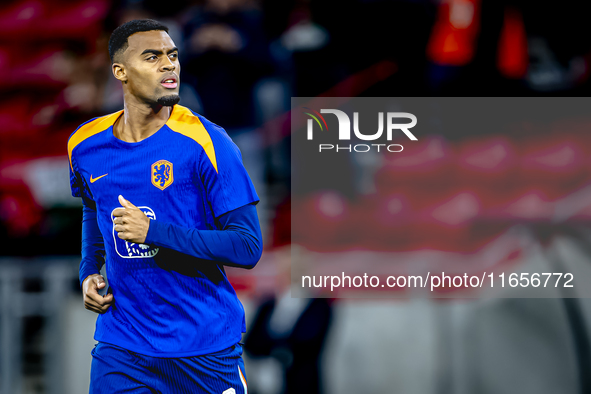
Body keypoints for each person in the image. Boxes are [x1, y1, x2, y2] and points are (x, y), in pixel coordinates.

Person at [67, 19, 262, 393]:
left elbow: (247, 246)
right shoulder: (85, 144)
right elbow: (94, 208)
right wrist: (89, 270)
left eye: (172, 55)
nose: (169, 64)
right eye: (152, 56)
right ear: (120, 72)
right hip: (123, 347)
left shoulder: (208, 142)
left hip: (203, 349)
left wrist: (153, 232)